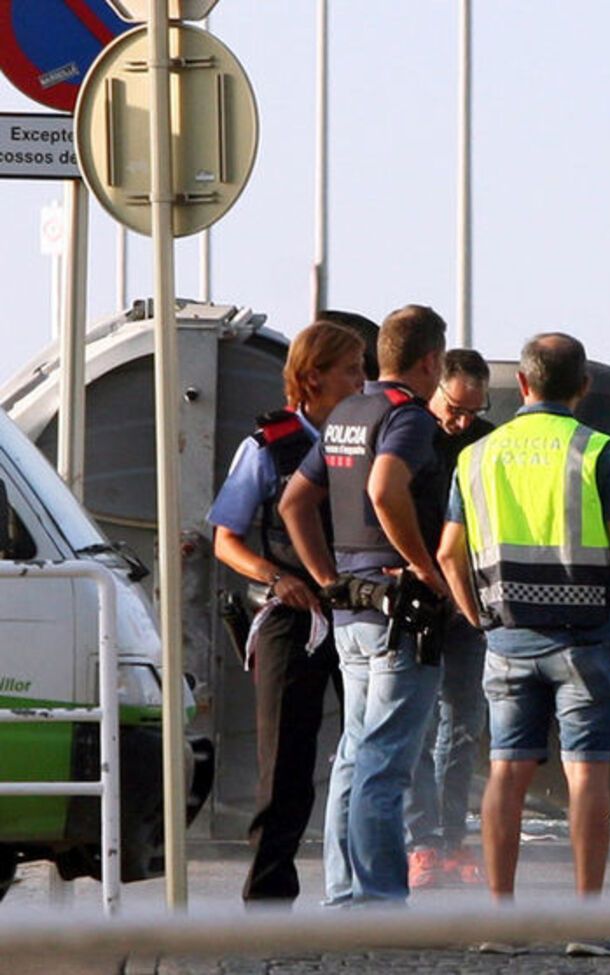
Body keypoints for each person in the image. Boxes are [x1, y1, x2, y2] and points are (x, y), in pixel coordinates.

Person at [438, 333, 610, 957]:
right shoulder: (597, 451)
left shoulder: (477, 455)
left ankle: (500, 922)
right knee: (587, 774)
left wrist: (477, 616)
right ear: (583, 387)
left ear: (523, 384)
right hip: (587, 641)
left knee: (506, 772)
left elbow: (448, 553)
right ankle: (586, 924)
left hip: (507, 639)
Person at [280, 303, 450, 905]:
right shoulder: (407, 417)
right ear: (431, 361)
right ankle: (379, 899)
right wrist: (424, 567)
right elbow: (384, 488)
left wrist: (329, 578)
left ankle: (345, 892)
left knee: (354, 755)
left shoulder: (348, 412)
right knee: (385, 761)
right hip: (399, 615)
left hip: (351, 609)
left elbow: (294, 503)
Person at [206, 320, 368, 904]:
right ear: (313, 377)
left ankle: (363, 889)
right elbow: (225, 540)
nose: (362, 381)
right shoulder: (266, 446)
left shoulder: (368, 438)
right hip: (291, 615)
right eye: (351, 370)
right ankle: (269, 898)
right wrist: (277, 577)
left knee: (369, 752)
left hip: (359, 612)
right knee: (286, 765)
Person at [406, 349, 494, 889]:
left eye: (472, 412)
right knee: (417, 724)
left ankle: (453, 835)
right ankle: (422, 842)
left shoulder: (486, 442)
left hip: (468, 601)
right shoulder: (410, 432)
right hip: (418, 595)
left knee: (464, 723)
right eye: (454, 409)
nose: (460, 422)